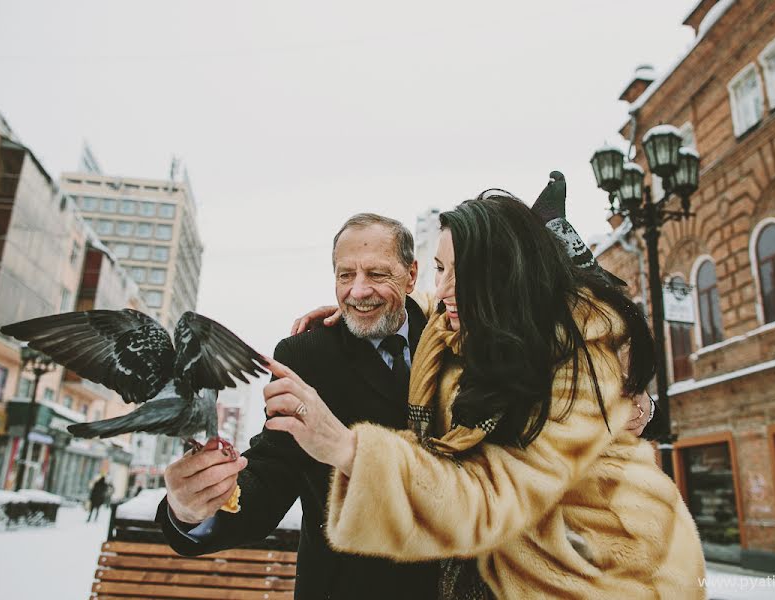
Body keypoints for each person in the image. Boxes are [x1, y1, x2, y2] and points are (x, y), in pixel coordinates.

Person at [156, 210, 655, 600]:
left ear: (413, 273)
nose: (358, 291)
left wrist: (636, 404)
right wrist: (197, 506)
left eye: (377, 273)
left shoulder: (467, 333)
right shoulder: (309, 355)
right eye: (344, 274)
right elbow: (272, 473)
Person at [264, 193, 706, 599]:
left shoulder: (567, 370)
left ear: (508, 276)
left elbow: (485, 500)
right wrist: (362, 304)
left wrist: (345, 447)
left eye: (466, 273)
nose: (443, 290)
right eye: (440, 270)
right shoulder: (461, 333)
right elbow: (427, 303)